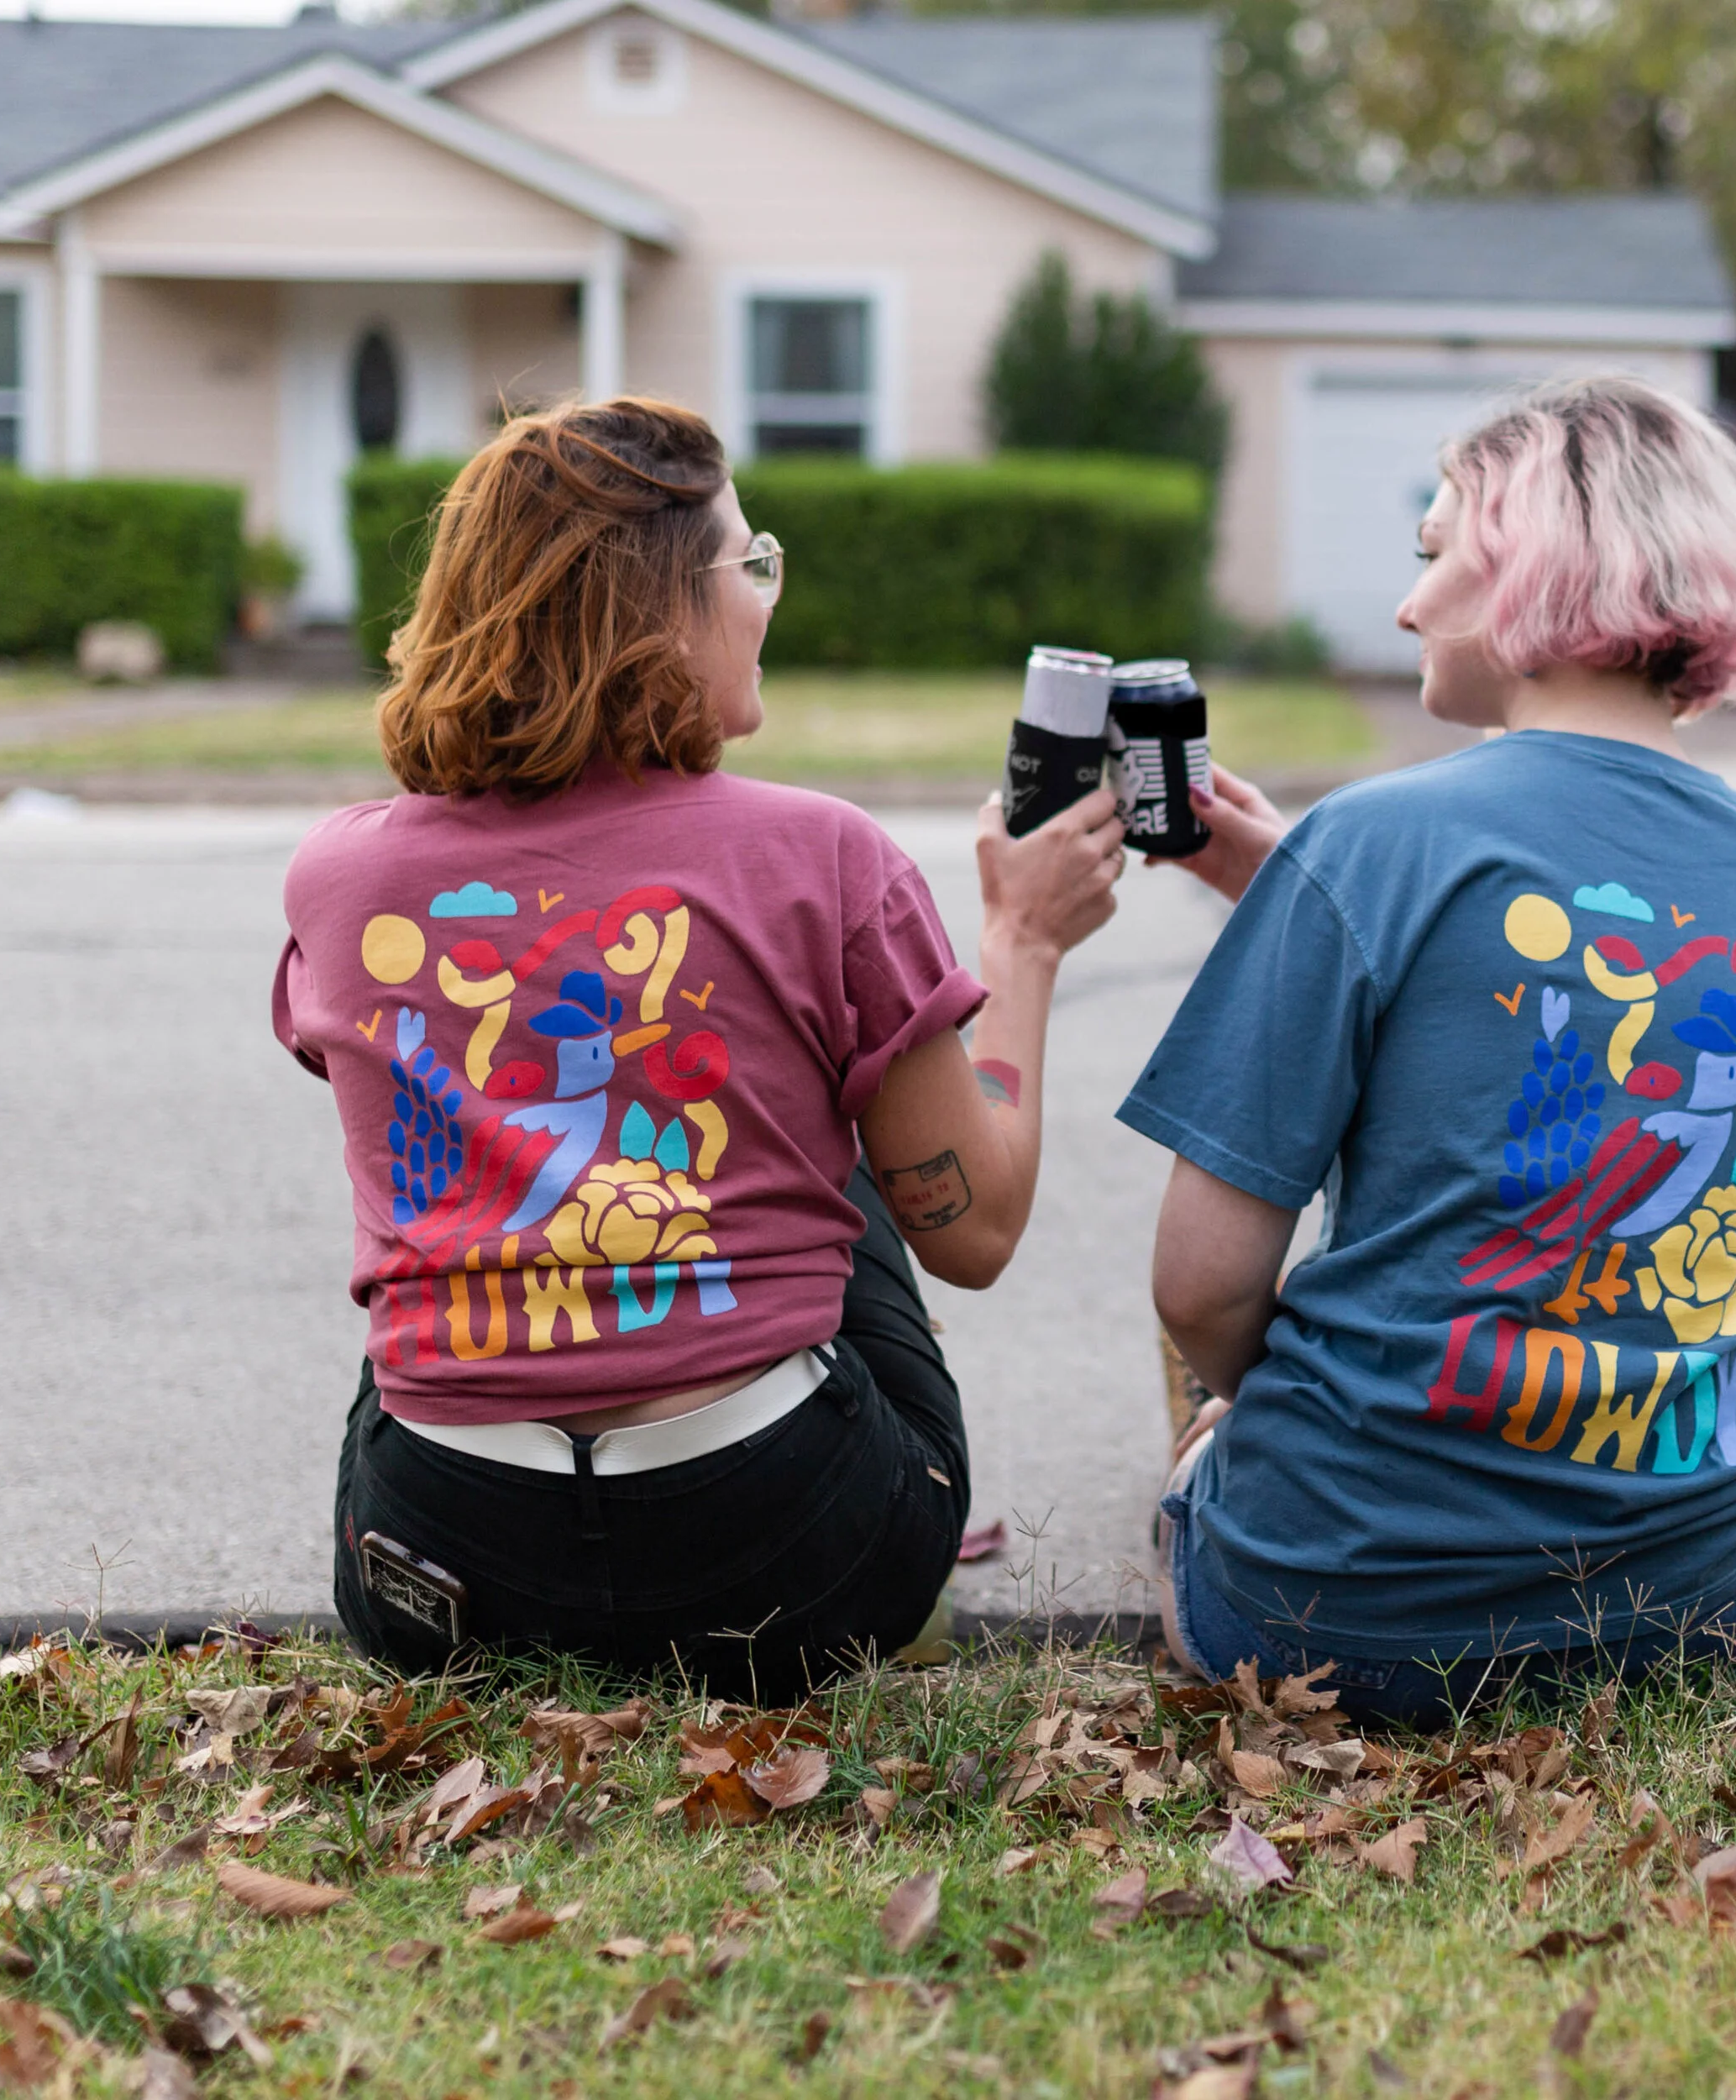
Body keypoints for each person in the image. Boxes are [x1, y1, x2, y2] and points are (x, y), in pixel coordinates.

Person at [272, 396, 1126, 1693]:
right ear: (660, 607)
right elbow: (976, 1232)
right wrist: (1022, 942)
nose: (769, 597)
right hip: (792, 1561)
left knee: (443, 1186)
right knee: (840, 1138)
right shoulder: (825, 857)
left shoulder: (338, 878)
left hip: (437, 1564)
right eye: (753, 563)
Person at [1124, 374, 1736, 1722]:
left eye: (1433, 551)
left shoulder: (1378, 844)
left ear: (1528, 574)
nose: (1409, 605)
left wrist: (1254, 1413)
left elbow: (1199, 1287)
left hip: (1339, 1619)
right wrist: (1303, 888)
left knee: (1203, 1427)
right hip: (1690, 1616)